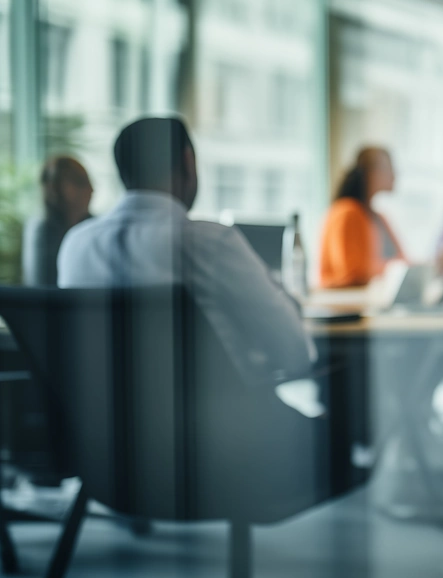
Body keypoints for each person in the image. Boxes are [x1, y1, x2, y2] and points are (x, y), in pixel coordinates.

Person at [58, 117, 314, 387]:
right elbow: (293, 352)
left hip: (98, 422)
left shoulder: (75, 244)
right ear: (188, 161)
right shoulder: (207, 242)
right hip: (222, 422)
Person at [319, 147, 406, 288]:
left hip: (371, 298)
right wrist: (394, 269)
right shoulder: (347, 212)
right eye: (388, 168)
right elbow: (354, 272)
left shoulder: (378, 217)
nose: (394, 175)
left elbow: (403, 261)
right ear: (370, 173)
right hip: (346, 303)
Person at [23, 156, 93, 287]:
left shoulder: (93, 226)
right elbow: (42, 288)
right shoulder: (42, 230)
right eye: (81, 182)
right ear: (55, 189)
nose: (91, 190)